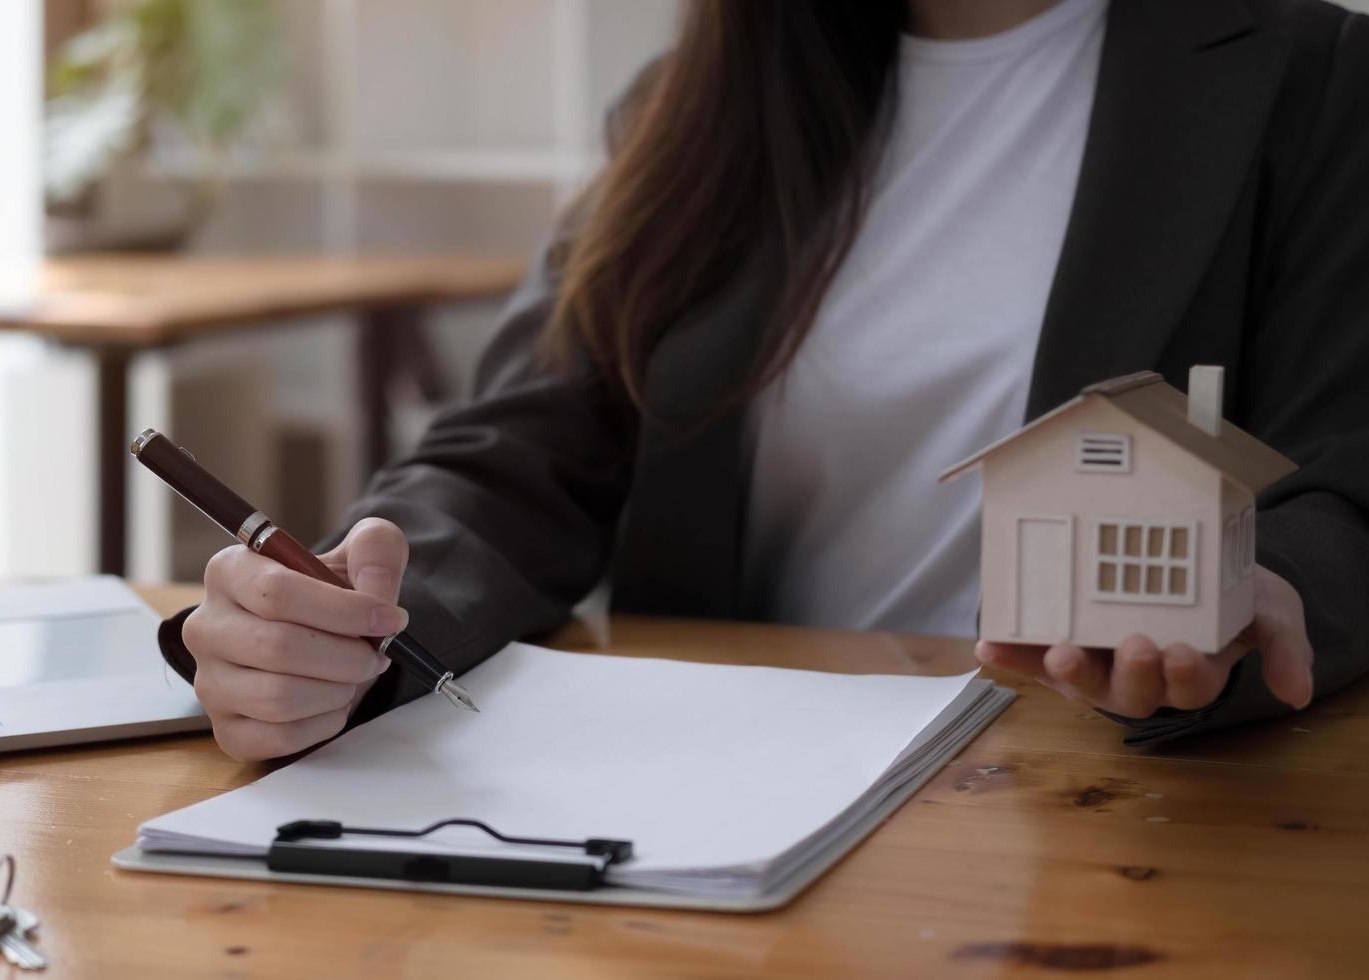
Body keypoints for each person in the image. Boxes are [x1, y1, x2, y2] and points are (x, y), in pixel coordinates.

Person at [165, 0, 1369, 762]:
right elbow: (513, 454)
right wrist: (343, 617)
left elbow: (1345, 480)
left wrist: (1267, 591)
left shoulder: (1310, 76)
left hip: (1107, 793)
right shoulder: (690, 100)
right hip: (741, 794)